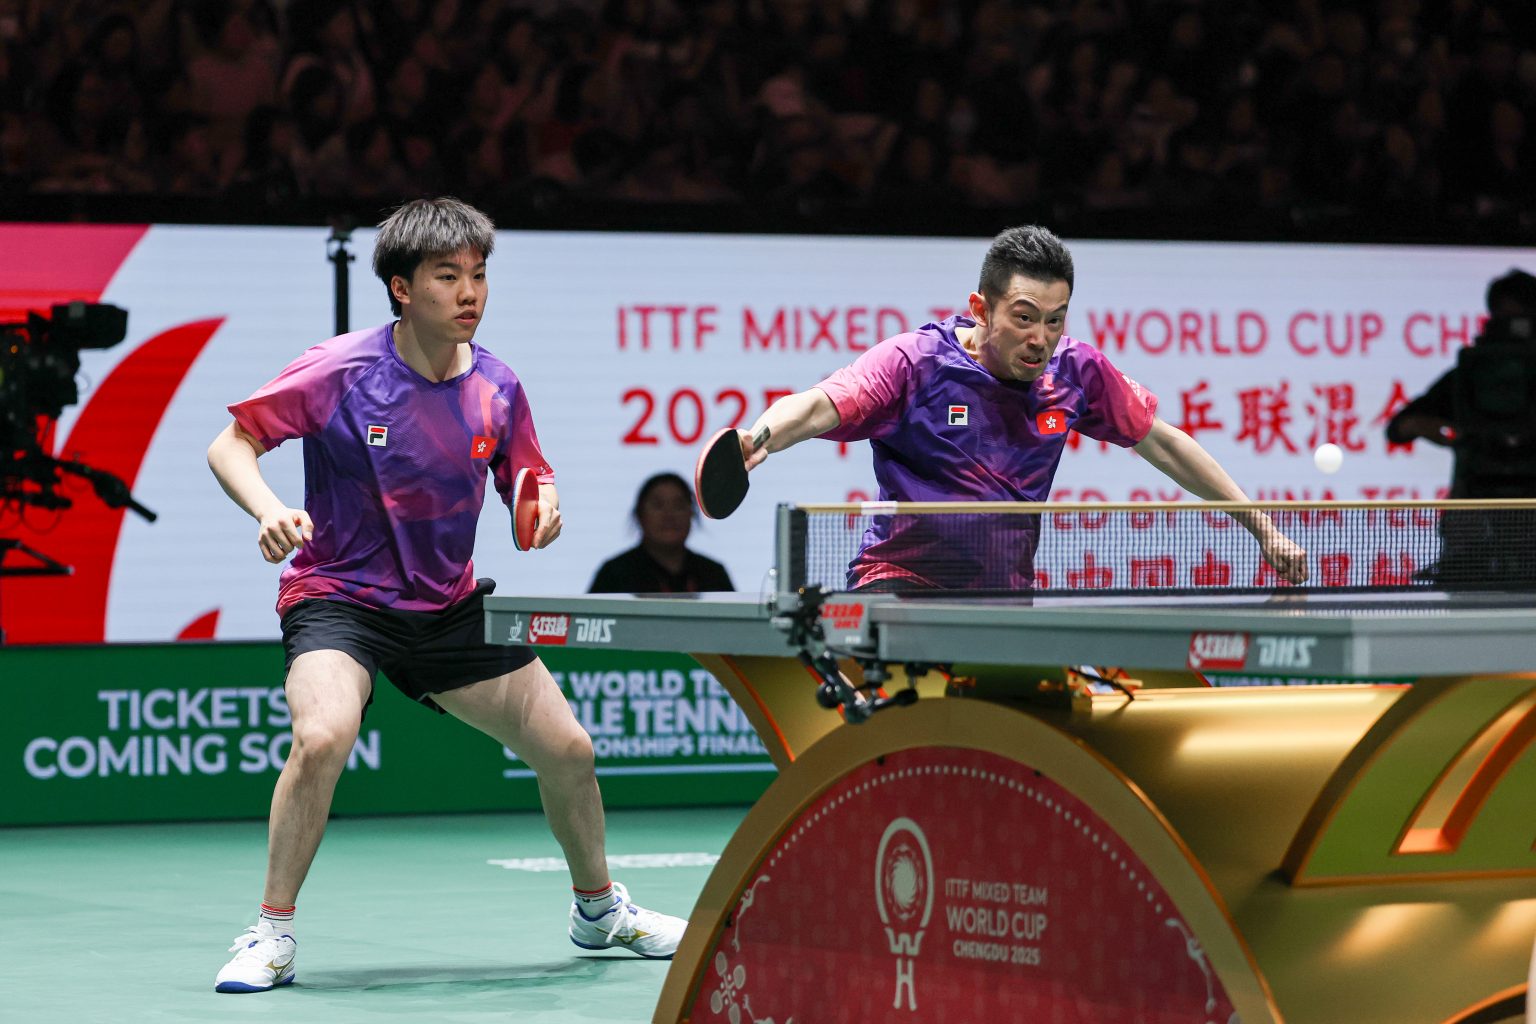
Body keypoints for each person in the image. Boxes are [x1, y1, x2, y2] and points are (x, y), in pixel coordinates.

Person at [205, 197, 685, 994]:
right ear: (401, 288)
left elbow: (529, 478)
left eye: (478, 275)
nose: (469, 293)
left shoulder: (497, 385)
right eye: (447, 276)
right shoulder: (341, 371)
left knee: (570, 751)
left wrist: (543, 508)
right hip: (341, 597)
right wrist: (268, 510)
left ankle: (599, 911)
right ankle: (272, 932)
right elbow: (232, 445)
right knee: (322, 736)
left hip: (446, 606)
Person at [725, 224, 1308, 591]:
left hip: (1001, 595)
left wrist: (1263, 529)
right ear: (981, 308)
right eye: (1024, 317)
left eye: (1055, 320)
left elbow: (1164, 443)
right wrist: (760, 438)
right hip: (899, 585)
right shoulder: (916, 361)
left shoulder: (1075, 371)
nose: (1041, 339)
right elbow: (820, 405)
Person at [1386, 268, 1536, 496]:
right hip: (1477, 503)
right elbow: (1398, 428)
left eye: (1523, 316)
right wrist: (1424, 426)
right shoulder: (1469, 376)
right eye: (1506, 317)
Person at [589, 472, 735, 593]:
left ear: (692, 514)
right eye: (657, 505)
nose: (669, 515)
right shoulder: (615, 574)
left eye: (679, 506)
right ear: (639, 515)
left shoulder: (713, 574)